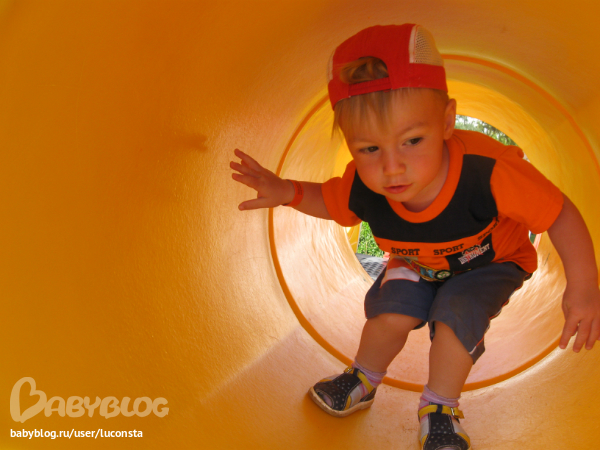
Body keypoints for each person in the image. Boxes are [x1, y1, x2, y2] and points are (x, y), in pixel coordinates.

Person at [230, 24, 600, 450]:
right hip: (415, 261)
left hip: (492, 262)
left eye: (412, 141)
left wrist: (583, 286)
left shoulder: (488, 171)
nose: (392, 167)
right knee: (390, 312)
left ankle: (440, 408)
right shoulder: (363, 184)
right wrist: (288, 191)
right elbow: (330, 201)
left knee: (456, 315)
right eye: (369, 149)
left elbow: (559, 212)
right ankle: (362, 379)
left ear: (446, 122)